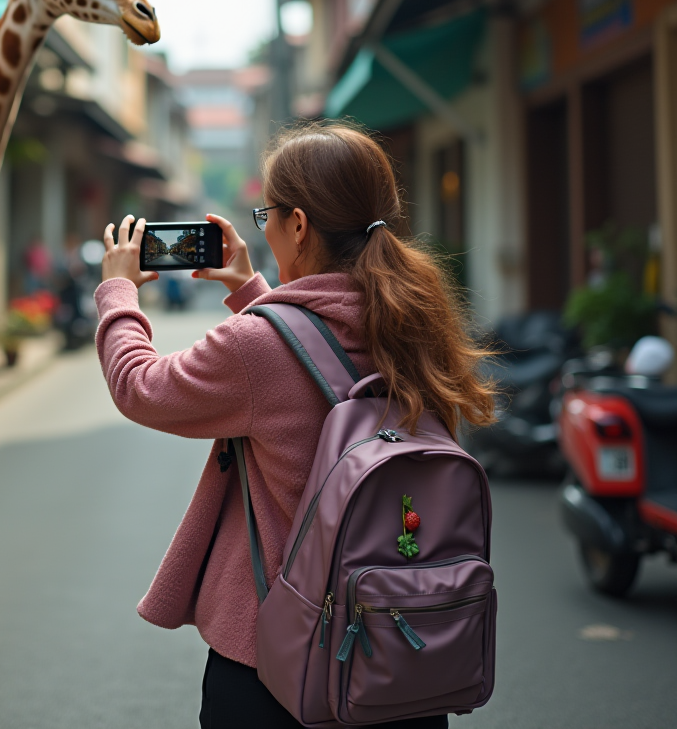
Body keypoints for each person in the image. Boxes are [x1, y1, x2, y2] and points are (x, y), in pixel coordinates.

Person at [95, 124, 497, 729]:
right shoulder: (416, 315)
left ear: (300, 225)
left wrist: (117, 290)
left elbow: (141, 386)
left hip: (281, 668)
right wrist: (251, 289)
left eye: (268, 215)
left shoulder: (256, 347)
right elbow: (309, 351)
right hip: (402, 656)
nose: (267, 228)